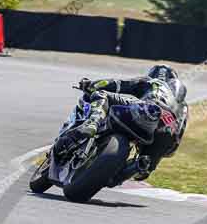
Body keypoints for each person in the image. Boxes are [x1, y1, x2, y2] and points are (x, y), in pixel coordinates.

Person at [55, 64, 188, 180]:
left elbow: (118, 84)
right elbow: (176, 141)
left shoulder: (153, 82)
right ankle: (136, 167)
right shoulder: (183, 108)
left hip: (149, 109)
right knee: (142, 170)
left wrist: (91, 85)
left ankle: (92, 123)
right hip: (167, 134)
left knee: (102, 95)